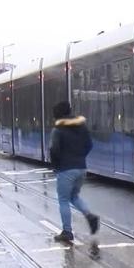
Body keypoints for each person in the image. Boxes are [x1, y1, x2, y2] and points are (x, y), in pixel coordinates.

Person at [49, 101, 100, 243]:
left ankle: (67, 231)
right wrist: (80, 157)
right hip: (81, 168)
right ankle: (90, 216)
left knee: (63, 199)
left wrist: (56, 165)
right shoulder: (81, 126)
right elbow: (89, 144)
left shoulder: (58, 129)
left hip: (66, 169)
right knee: (74, 196)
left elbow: (54, 150)